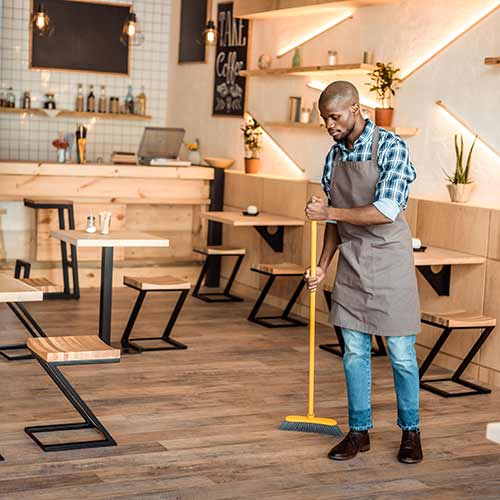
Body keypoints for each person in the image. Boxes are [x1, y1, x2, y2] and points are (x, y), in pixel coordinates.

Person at [304, 81, 423, 464]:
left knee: (402, 354)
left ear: (355, 107)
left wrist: (330, 212)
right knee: (354, 352)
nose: (330, 126)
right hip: (352, 262)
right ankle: (359, 431)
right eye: (325, 120)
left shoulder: (391, 147)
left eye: (334, 117)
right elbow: (333, 224)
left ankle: (411, 431)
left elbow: (385, 210)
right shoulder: (333, 156)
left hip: (390, 260)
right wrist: (322, 266)